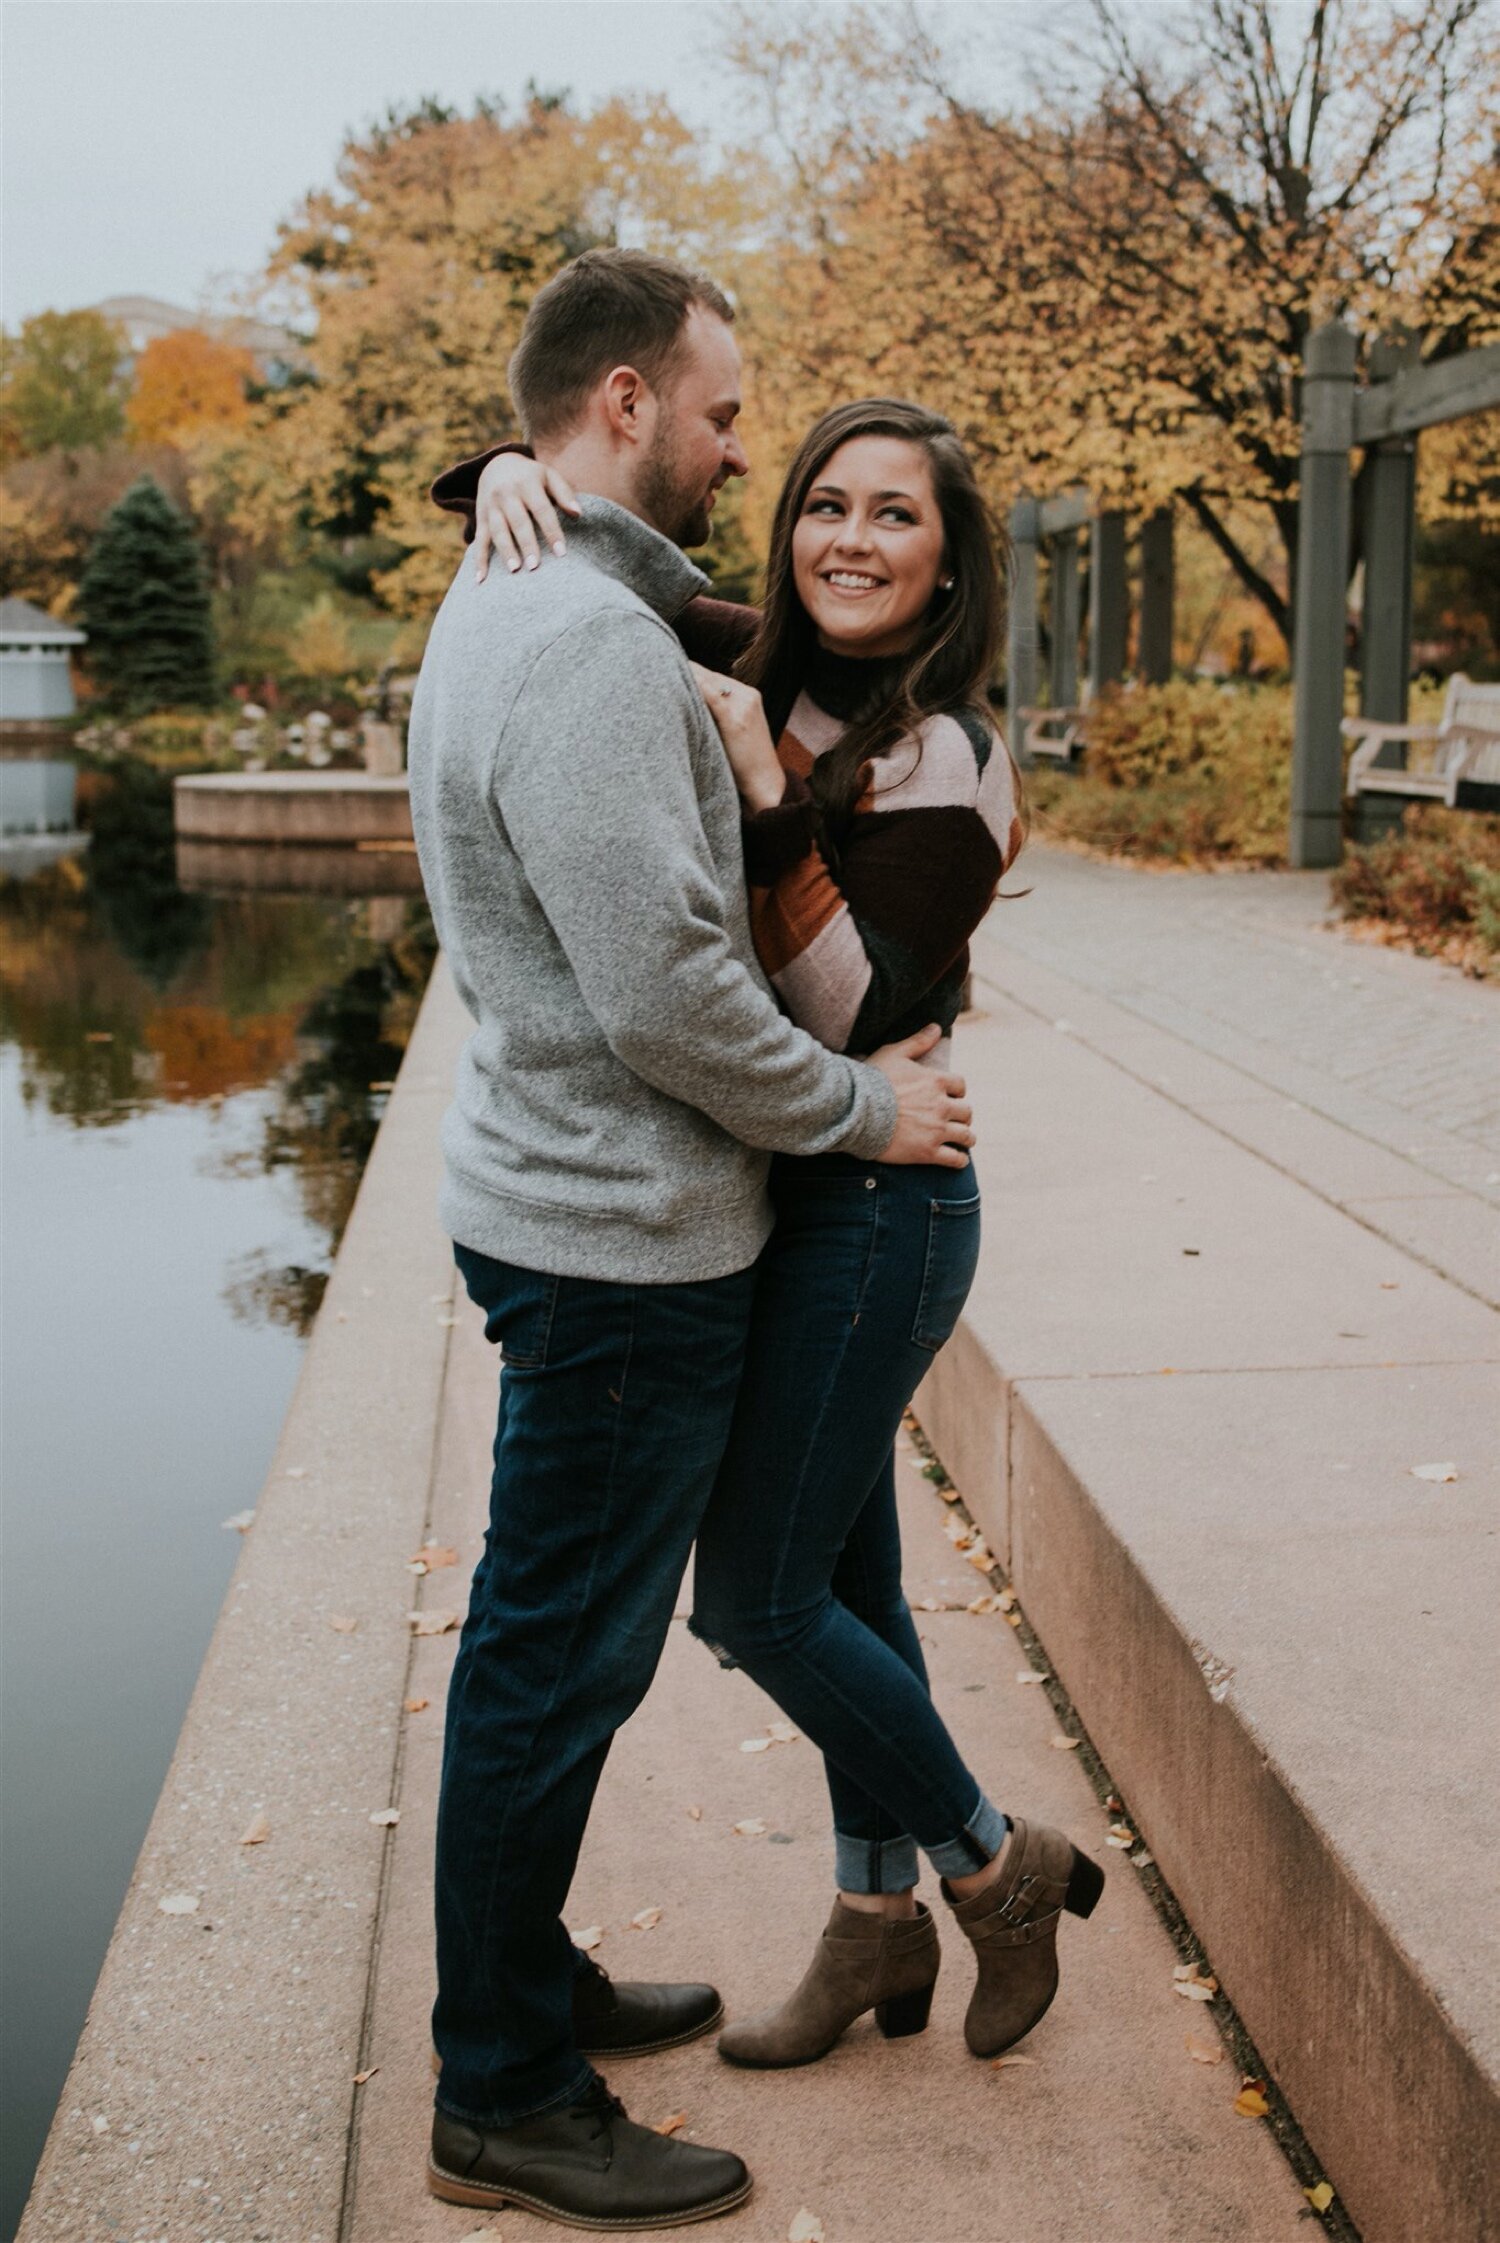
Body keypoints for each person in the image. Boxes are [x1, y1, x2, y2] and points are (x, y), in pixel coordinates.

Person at [408, 248, 976, 2231]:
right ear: (633, 403)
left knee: (546, 1645)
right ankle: (503, 2091)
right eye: (731, 417)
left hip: (578, 1214)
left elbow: (727, 630)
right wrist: (858, 1107)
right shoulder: (573, 646)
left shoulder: (540, 592)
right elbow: (666, 1001)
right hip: (618, 1248)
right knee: (554, 1663)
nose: (754, 453)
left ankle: (520, 1983)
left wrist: (516, 473)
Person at [442, 397, 1102, 2086]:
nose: (852, 542)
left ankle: (987, 1860)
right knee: (850, 1578)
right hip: (787, 1191)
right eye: (825, 505)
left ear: (951, 564)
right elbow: (595, 532)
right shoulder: (746, 647)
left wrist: (760, 793)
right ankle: (871, 1919)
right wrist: (505, 474)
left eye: (897, 518)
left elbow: (858, 1004)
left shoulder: (940, 751)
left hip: (877, 1205)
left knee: (752, 1592)